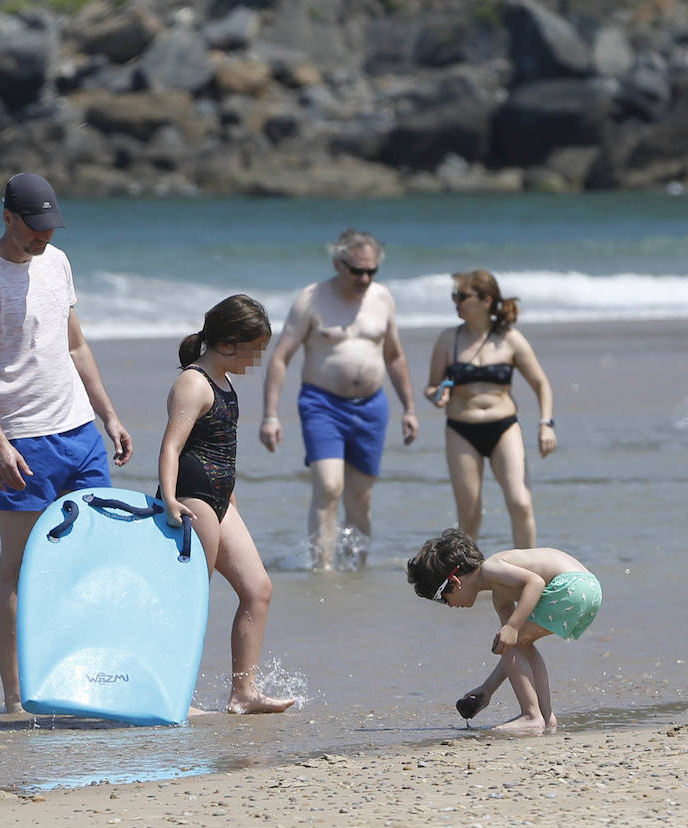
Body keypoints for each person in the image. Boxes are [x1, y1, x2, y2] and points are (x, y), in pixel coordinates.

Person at [0, 172, 133, 713]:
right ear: (8, 217)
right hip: (22, 442)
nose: (43, 238)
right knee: (20, 562)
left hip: (79, 432)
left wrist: (108, 414)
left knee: (91, 557)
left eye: (49, 227)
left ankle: (88, 678)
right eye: (34, 228)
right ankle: (15, 696)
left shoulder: (58, 262)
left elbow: (76, 346)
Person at [158, 295, 296, 715]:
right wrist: (168, 499)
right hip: (191, 499)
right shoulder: (193, 382)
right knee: (192, 599)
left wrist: (231, 495)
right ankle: (171, 697)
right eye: (255, 349)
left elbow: (221, 446)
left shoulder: (225, 380)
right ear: (230, 343)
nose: (257, 359)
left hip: (220, 500)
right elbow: (171, 447)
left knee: (258, 590)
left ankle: (244, 693)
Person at [259, 229, 419, 571]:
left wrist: (409, 408)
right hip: (322, 405)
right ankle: (323, 568)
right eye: (356, 270)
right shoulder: (311, 299)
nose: (364, 278)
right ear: (337, 263)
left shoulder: (382, 298)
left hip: (372, 406)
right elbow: (280, 357)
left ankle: (356, 568)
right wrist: (270, 415)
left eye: (371, 271)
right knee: (330, 487)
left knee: (361, 499)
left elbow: (394, 356)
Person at [406, 528, 602, 734]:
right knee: (516, 642)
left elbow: (535, 582)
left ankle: (531, 716)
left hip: (572, 586)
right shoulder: (499, 594)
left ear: (455, 582)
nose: (448, 605)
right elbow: (511, 649)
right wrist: (488, 689)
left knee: (513, 638)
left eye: (441, 598)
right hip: (588, 590)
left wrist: (513, 626)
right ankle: (545, 717)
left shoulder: (492, 568)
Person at [423, 270, 555, 548]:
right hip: (461, 430)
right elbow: (431, 386)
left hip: (504, 427)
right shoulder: (448, 339)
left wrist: (546, 424)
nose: (456, 302)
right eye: (453, 296)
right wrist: (438, 396)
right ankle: (468, 579)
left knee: (520, 502)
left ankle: (527, 569)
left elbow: (541, 384)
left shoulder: (510, 339)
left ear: (486, 300)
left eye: (461, 296)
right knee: (469, 515)